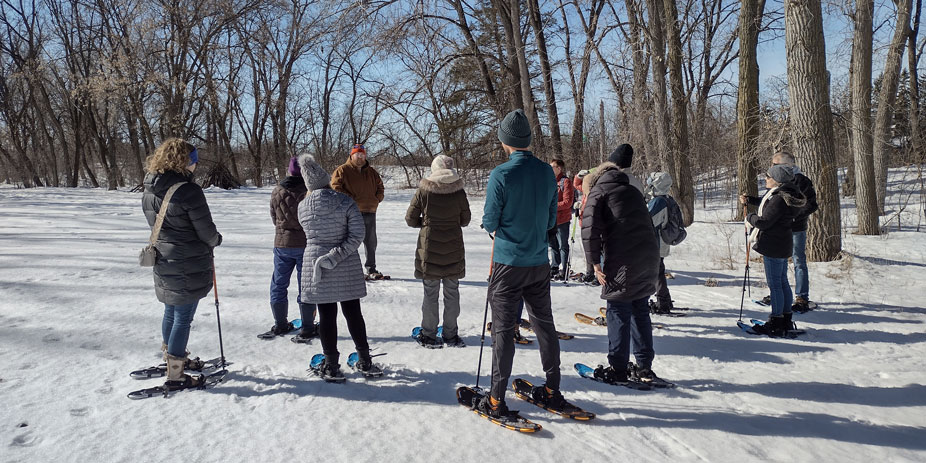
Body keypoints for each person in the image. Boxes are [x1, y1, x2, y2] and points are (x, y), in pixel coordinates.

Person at [477, 109, 583, 418]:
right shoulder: (546, 173)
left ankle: (496, 399)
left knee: (503, 331)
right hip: (538, 262)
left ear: (505, 142)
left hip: (508, 264)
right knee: (544, 326)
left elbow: (489, 220)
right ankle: (552, 388)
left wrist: (505, 227)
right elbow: (551, 219)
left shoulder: (502, 173)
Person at [142, 139, 222, 389]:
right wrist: (216, 240)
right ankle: (175, 372)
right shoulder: (188, 191)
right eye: (194, 159)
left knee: (171, 310)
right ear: (185, 161)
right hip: (187, 262)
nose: (196, 164)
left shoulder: (150, 188)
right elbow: (206, 231)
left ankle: (172, 358)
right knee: (183, 317)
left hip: (164, 259)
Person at [298, 154, 379, 380]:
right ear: (326, 179)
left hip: (318, 265)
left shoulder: (303, 207)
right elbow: (357, 234)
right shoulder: (345, 202)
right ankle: (365, 360)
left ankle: (331, 365)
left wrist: (329, 256)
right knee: (353, 313)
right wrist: (338, 254)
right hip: (346, 264)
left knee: (326, 315)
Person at [581, 157, 662, 384]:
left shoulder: (599, 193)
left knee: (618, 308)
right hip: (649, 256)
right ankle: (644, 366)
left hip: (624, 260)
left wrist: (594, 263)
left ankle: (617, 369)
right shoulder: (632, 190)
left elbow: (589, 231)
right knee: (639, 308)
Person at [405, 155, 471, 348]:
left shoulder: (424, 191)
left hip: (429, 248)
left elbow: (410, 219)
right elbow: (465, 220)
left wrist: (424, 225)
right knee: (452, 292)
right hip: (453, 248)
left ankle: (429, 334)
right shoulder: (459, 192)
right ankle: (451, 335)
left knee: (430, 293)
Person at [739, 164, 807, 337]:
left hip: (774, 245)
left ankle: (776, 321)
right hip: (782, 243)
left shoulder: (778, 198)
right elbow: (767, 206)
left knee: (775, 284)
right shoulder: (787, 194)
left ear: (777, 180)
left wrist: (749, 217)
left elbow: (764, 222)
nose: (765, 179)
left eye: (768, 177)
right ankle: (785, 318)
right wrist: (750, 200)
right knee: (782, 282)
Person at [268, 157, 318, 342]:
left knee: (279, 284)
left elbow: (274, 217)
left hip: (282, 244)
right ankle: (307, 326)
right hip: (305, 244)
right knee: (306, 286)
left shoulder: (277, 191)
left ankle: (280, 323)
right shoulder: (310, 192)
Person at [330, 144, 385, 278]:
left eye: (362, 155)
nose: (360, 157)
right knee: (350, 241)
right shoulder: (342, 170)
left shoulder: (371, 171)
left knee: (371, 242)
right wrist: (351, 200)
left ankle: (371, 268)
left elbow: (380, 187)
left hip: (370, 211)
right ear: (351, 155)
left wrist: (377, 198)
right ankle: (348, 269)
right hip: (351, 212)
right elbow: (335, 187)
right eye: (357, 155)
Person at [774, 152, 818, 312]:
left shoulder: (802, 180)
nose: (772, 168)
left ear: (786, 165)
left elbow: (812, 205)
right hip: (780, 229)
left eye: (775, 164)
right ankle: (778, 293)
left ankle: (802, 298)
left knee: (798, 261)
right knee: (780, 262)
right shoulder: (777, 180)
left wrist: (792, 217)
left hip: (796, 228)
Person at [646, 172, 678, 314]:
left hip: (656, 243)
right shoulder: (667, 199)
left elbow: (648, 221)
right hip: (662, 242)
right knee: (659, 270)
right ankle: (665, 300)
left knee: (656, 272)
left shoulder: (658, 202)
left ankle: (663, 303)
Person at [548, 158, 574, 280]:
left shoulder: (566, 182)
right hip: (551, 220)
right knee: (553, 245)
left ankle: (565, 268)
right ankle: (554, 267)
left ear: (559, 168)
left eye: (552, 166)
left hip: (562, 220)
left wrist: (552, 206)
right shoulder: (549, 181)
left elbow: (568, 202)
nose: (550, 168)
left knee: (562, 245)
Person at [573, 168, 598, 285]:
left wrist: (583, 206)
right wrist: (578, 176)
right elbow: (577, 184)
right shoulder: (586, 189)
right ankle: (590, 272)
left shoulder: (596, 190)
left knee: (595, 248)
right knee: (588, 248)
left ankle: (596, 273)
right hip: (584, 221)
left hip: (593, 222)